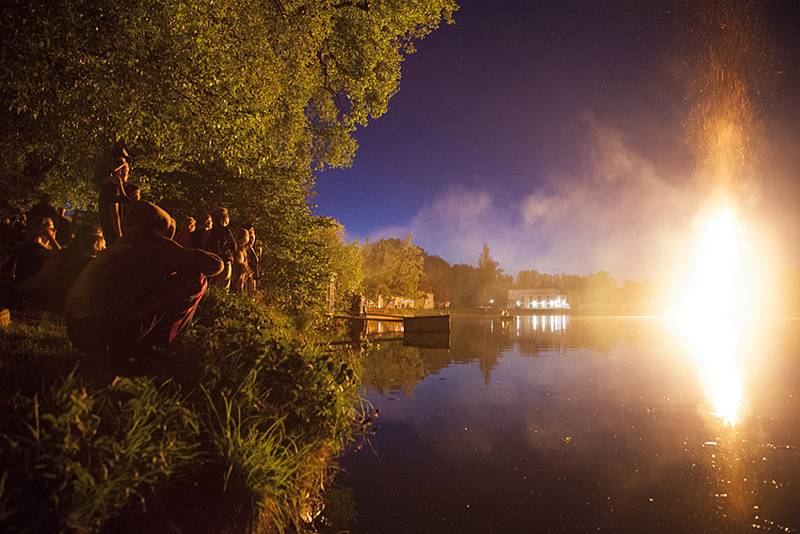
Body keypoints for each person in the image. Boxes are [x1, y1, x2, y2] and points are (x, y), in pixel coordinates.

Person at [65, 200, 223, 355]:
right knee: (196, 279)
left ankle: (141, 341)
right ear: (159, 227)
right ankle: (165, 340)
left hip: (77, 331)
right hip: (104, 332)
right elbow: (216, 265)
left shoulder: (118, 246)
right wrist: (178, 250)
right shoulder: (156, 245)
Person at [47, 224, 106, 311]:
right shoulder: (91, 263)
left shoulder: (65, 257)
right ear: (96, 242)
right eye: (103, 242)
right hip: (76, 308)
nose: (105, 246)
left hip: (58, 303)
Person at [98, 146, 132, 245]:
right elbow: (114, 214)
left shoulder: (113, 187)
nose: (127, 174)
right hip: (113, 238)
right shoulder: (112, 188)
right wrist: (119, 237)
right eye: (126, 171)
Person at [205, 208, 236, 289]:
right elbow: (233, 246)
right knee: (223, 288)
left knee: (211, 286)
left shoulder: (211, 232)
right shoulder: (226, 231)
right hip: (225, 260)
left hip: (212, 260)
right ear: (224, 219)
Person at [230, 228, 252, 294]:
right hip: (236, 275)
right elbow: (240, 264)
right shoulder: (238, 250)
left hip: (241, 276)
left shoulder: (243, 249)